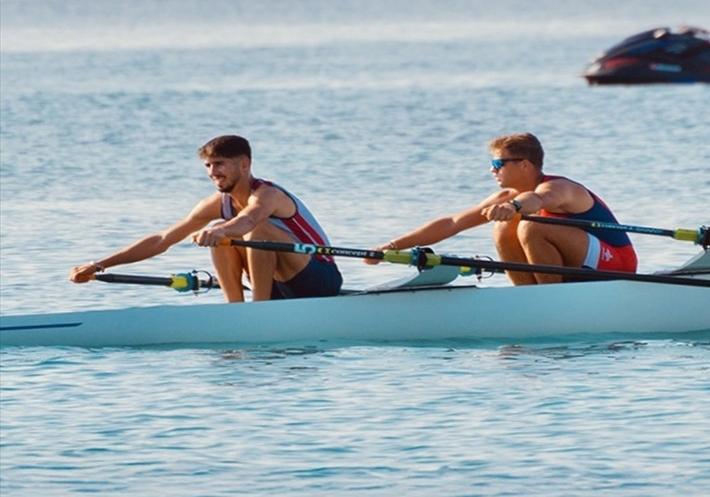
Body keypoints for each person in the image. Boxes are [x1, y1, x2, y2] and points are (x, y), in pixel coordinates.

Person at [68, 135, 342, 302]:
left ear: (244, 164)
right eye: (208, 165)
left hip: (320, 278)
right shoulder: (216, 204)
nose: (212, 172)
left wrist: (222, 231)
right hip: (278, 283)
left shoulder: (268, 195)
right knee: (220, 228)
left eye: (219, 164)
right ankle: (235, 310)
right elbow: (162, 240)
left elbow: (247, 221)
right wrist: (99, 264)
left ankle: (259, 311)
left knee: (249, 229)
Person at [369, 133, 637, 284]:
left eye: (498, 164)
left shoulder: (560, 188)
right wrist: (391, 247)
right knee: (503, 228)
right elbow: (452, 223)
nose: (492, 170)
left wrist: (514, 206)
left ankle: (548, 300)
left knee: (532, 226)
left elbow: (537, 200)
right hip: (580, 264)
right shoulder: (504, 197)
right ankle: (528, 297)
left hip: (617, 264)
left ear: (524, 165)